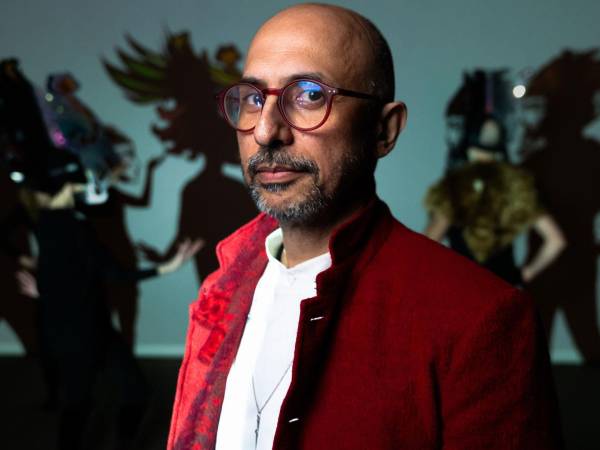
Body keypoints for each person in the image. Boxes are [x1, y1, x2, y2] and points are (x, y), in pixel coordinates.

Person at [168, 4, 563, 450]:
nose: (266, 131)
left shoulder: (479, 318)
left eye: (309, 95)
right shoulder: (222, 288)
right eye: (254, 99)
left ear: (384, 130)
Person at [17, 181, 201, 450]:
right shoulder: (66, 225)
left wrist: (45, 289)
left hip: (91, 327)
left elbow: (67, 270)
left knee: (130, 392)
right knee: (81, 404)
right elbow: (114, 273)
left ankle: (122, 443)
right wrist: (167, 268)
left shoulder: (53, 223)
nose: (79, 184)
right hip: (78, 334)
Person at [424, 115, 566, 285]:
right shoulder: (514, 186)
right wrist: (524, 274)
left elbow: (427, 245)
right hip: (503, 287)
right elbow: (556, 241)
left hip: (465, 288)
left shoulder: (455, 187)